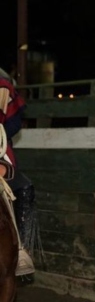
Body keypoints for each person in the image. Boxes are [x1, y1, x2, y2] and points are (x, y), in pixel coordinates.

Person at [0, 72, 38, 276]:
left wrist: (0, 132)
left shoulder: (2, 81)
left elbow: (14, 121)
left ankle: (22, 248)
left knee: (24, 187)